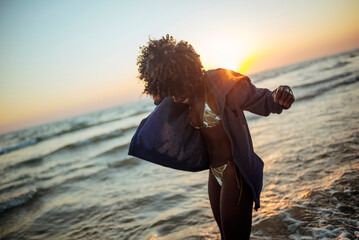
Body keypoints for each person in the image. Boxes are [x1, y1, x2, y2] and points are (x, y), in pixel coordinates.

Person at [128, 35, 295, 239]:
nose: (175, 97)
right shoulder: (179, 98)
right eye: (169, 92)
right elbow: (159, 119)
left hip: (235, 172)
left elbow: (262, 98)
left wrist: (279, 96)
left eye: (177, 90)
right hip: (214, 175)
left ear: (186, 74)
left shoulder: (222, 84)